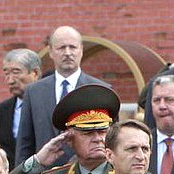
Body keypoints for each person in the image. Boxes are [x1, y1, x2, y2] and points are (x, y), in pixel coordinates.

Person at [15, 27, 109, 165]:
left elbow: (112, 141)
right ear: (51, 51)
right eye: (61, 48)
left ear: (81, 50)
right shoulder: (33, 92)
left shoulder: (100, 90)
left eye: (73, 47)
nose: (67, 53)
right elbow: (25, 143)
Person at [0, 48, 41, 166]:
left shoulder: (51, 105)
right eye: (6, 74)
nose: (10, 80)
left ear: (35, 73)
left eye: (16, 72)